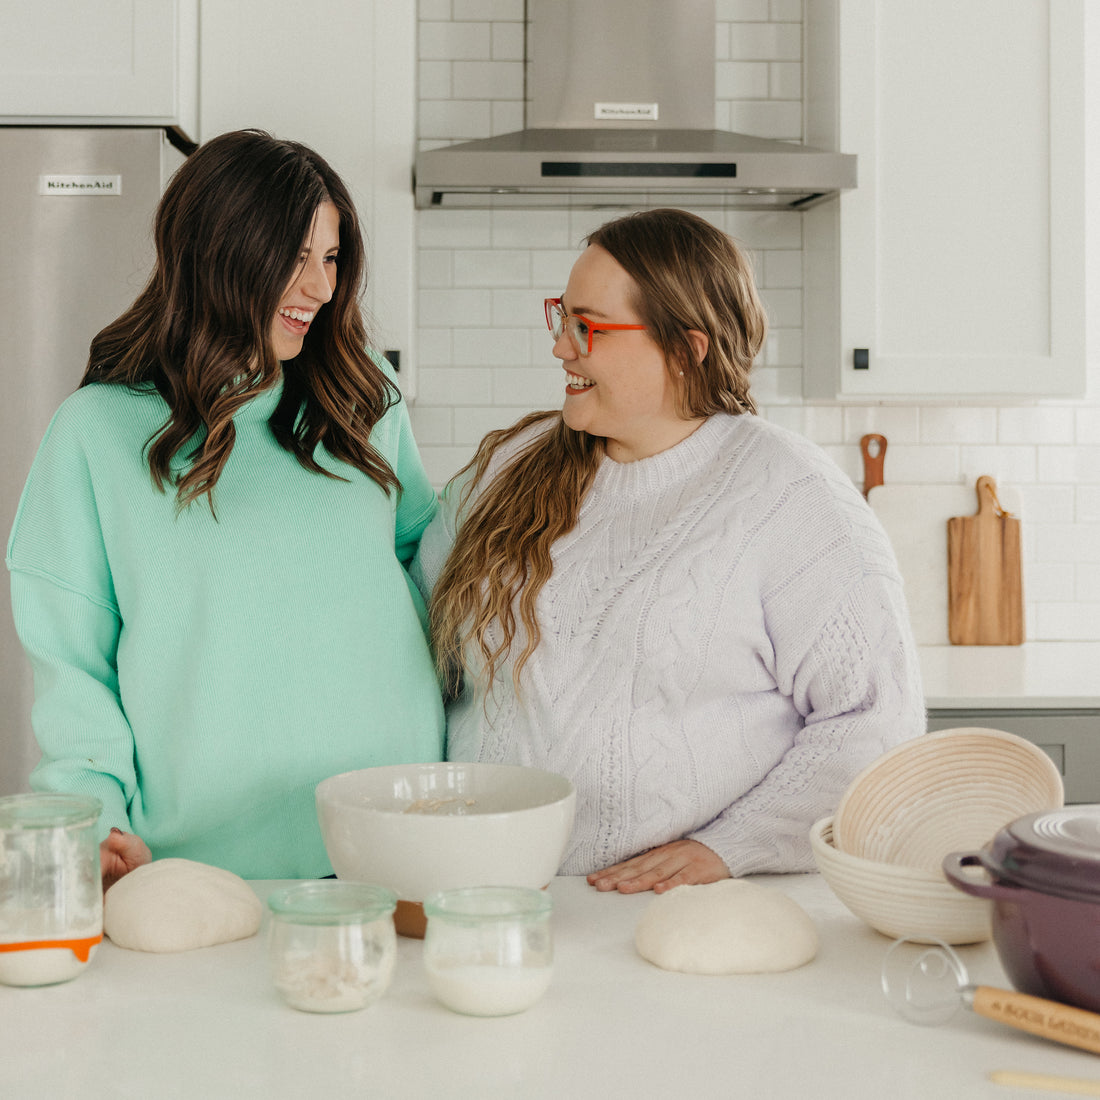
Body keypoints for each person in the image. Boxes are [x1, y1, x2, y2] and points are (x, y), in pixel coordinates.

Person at [413, 208, 924, 895]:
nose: (562, 347)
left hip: (680, 910)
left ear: (686, 349)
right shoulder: (508, 467)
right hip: (486, 896)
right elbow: (414, 645)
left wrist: (730, 846)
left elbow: (877, 723)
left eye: (588, 326)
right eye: (561, 317)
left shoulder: (789, 495)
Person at [7, 129, 444, 887]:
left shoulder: (363, 395)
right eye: (296, 258)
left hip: (396, 846)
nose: (321, 288)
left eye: (331, 259)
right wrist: (92, 813)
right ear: (219, 251)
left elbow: (432, 570)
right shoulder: (98, 432)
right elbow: (72, 664)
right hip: (199, 871)